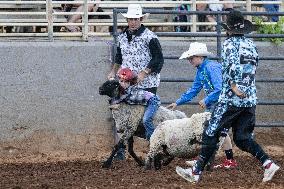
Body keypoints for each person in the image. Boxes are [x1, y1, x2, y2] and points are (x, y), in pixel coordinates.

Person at [175, 10, 280, 183]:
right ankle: (268, 164)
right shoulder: (251, 45)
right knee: (242, 138)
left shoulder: (229, 44)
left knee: (210, 130)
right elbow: (253, 67)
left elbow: (229, 68)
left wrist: (233, 87)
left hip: (231, 98)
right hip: (250, 99)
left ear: (229, 29)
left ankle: (195, 172)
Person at [167, 42, 237, 169]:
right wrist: (177, 102)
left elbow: (219, 88)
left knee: (211, 130)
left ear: (200, 56)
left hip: (222, 103)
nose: (190, 60)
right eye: (189, 58)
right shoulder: (202, 70)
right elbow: (194, 90)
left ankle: (204, 159)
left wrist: (206, 99)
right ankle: (228, 159)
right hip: (217, 103)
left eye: (191, 58)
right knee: (219, 131)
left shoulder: (211, 67)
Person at [107, 4, 164, 159]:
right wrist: (113, 71)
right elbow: (119, 57)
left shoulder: (150, 37)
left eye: (135, 19)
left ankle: (157, 147)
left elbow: (158, 59)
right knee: (121, 115)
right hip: (125, 82)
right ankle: (121, 149)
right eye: (130, 19)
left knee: (144, 119)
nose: (133, 22)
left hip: (147, 83)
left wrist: (143, 73)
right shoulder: (122, 37)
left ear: (140, 19)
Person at [112, 68, 161, 141]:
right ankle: (147, 137)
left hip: (152, 101)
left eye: (126, 82)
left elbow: (122, 99)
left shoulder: (131, 91)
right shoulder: (123, 90)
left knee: (146, 120)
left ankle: (153, 140)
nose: (123, 84)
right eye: (121, 81)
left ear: (130, 83)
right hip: (144, 102)